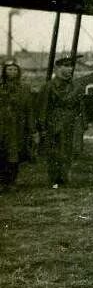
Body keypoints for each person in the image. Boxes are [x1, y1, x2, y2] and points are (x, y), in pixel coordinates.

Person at [38, 57, 84, 188]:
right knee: (55, 152)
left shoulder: (76, 86)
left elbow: (81, 107)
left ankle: (65, 177)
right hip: (55, 123)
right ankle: (54, 180)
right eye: (66, 66)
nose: (70, 69)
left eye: (71, 67)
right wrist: (43, 126)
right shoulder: (49, 86)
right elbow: (43, 108)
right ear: (58, 68)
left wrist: (82, 124)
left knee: (69, 151)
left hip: (72, 123)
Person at [0, 59, 35, 191]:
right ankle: (2, 182)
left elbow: (29, 109)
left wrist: (31, 128)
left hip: (17, 127)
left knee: (15, 155)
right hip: (2, 126)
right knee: (2, 154)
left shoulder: (24, 88)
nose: (12, 72)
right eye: (9, 69)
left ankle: (12, 181)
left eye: (15, 69)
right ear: (4, 71)